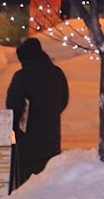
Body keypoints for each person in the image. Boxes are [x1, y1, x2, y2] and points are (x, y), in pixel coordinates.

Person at [5, 37, 70, 187]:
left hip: (28, 137)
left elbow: (13, 104)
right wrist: (52, 113)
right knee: (48, 174)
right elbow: (64, 99)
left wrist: (15, 126)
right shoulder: (57, 73)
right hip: (52, 133)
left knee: (28, 180)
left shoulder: (22, 77)